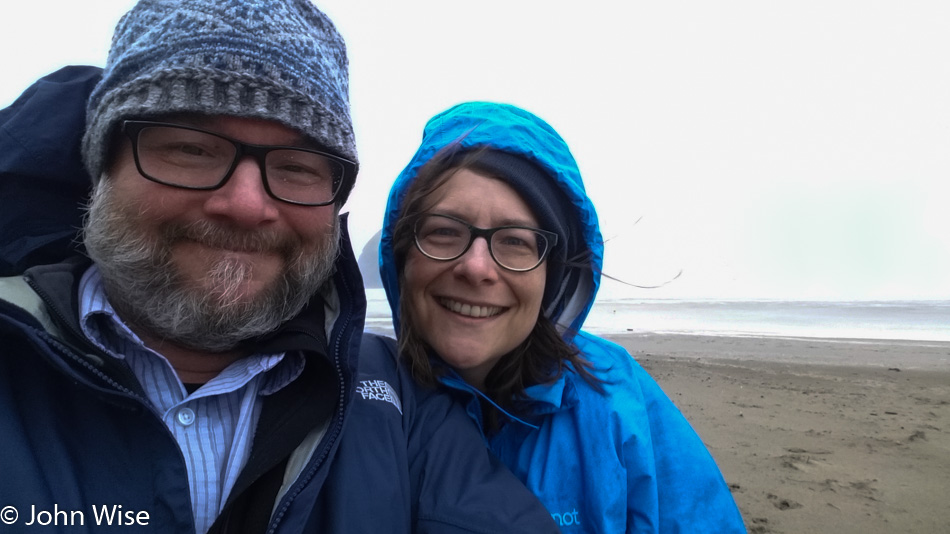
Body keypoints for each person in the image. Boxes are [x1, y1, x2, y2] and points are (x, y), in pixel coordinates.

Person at [0, 2, 560, 533]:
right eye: (192, 149)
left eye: (295, 166)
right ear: (103, 166)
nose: (246, 205)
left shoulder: (400, 405)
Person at [379, 101, 748, 533]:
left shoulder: (615, 399)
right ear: (403, 254)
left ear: (553, 276)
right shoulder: (362, 401)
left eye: (516, 241)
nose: (476, 268)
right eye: (443, 231)